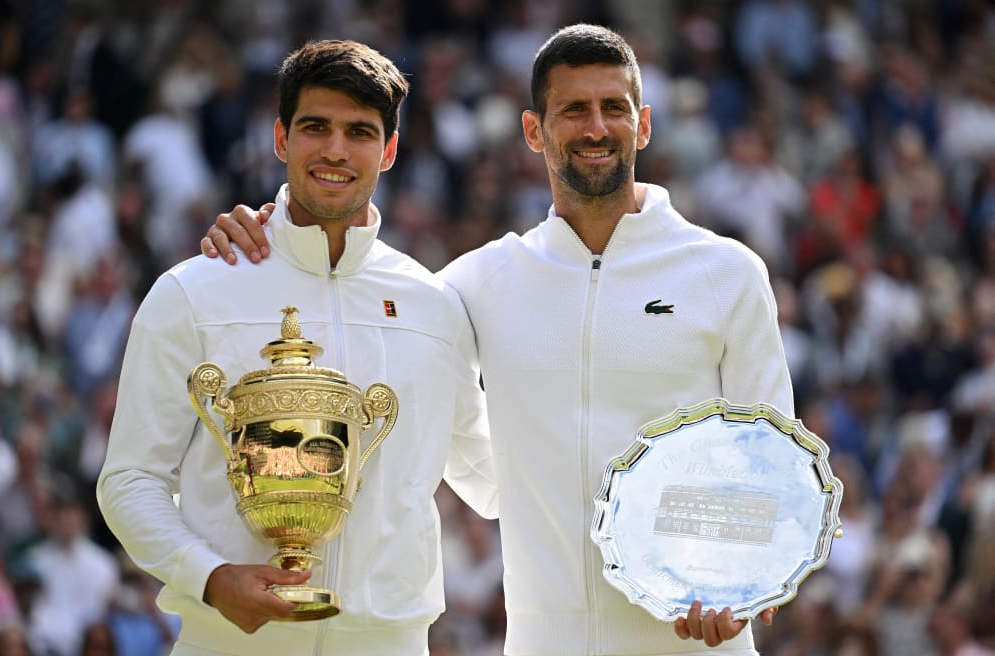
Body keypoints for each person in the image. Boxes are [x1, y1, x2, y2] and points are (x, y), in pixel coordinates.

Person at [203, 24, 790, 655]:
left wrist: (741, 583)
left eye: (613, 108)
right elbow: (346, 289)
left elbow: (775, 465)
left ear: (642, 125)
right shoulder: (476, 282)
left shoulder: (727, 272)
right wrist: (270, 235)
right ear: (534, 131)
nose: (596, 128)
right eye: (573, 110)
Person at [98, 40, 494, 656]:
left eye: (359, 132)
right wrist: (209, 577)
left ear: (389, 151)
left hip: (388, 641)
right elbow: (128, 479)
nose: (336, 150)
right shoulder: (194, 290)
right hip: (229, 640)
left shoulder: (433, 306)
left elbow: (494, 480)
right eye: (316, 127)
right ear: (281, 139)